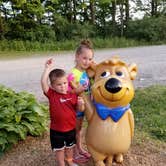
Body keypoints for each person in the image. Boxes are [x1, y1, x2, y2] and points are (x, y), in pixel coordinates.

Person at [41, 58, 85, 166]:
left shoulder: (72, 95)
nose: (63, 86)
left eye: (65, 83)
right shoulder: (52, 94)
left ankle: (69, 161)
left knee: (70, 147)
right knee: (59, 150)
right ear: (52, 86)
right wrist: (47, 68)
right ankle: (61, 164)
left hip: (70, 128)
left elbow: (80, 110)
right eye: (59, 84)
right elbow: (43, 82)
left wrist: (81, 104)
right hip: (56, 131)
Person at [68, 39, 94, 163]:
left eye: (90, 59)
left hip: (84, 106)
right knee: (75, 130)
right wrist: (78, 90)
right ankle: (74, 154)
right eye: (84, 58)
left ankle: (79, 148)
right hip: (76, 107)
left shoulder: (85, 72)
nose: (87, 62)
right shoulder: (73, 74)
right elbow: (69, 92)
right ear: (77, 57)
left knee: (79, 130)